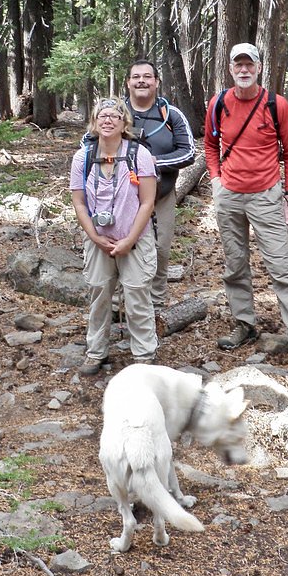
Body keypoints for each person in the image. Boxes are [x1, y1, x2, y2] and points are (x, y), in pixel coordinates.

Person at [204, 42, 288, 368]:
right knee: (235, 264)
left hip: (266, 195)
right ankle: (245, 324)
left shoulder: (276, 105)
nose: (244, 70)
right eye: (238, 65)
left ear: (259, 68)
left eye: (249, 64)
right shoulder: (219, 103)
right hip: (229, 195)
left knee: (281, 267)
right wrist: (216, 180)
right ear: (230, 69)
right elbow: (210, 144)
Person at [69, 97, 158, 375]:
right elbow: (79, 203)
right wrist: (94, 237)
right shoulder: (83, 157)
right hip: (99, 241)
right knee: (99, 296)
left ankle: (144, 356)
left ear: (124, 123)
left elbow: (147, 202)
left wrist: (129, 240)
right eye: (102, 116)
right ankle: (96, 352)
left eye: (114, 116)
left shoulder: (139, 154)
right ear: (94, 122)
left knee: (137, 296)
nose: (108, 120)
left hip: (135, 240)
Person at [124, 59, 195, 309]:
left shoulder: (170, 114)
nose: (141, 81)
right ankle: (120, 306)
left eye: (147, 77)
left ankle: (156, 305)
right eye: (136, 77)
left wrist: (153, 163)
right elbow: (89, 144)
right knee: (122, 247)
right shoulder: (115, 112)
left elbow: (188, 153)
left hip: (161, 196)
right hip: (122, 197)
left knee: (160, 250)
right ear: (128, 82)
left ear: (156, 82)